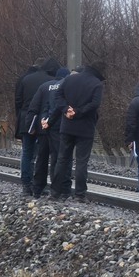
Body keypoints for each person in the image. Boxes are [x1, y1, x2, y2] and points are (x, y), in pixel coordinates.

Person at [50, 61, 106, 201]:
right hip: (85, 128)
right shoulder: (96, 84)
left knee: (62, 159)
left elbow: (58, 96)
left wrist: (66, 109)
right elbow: (94, 104)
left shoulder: (69, 79)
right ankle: (80, 194)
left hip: (67, 125)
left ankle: (55, 192)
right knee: (81, 162)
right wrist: (78, 112)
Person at [14, 57, 60, 195]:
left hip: (25, 118)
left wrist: (21, 118)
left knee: (27, 153)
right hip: (43, 120)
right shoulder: (50, 83)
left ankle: (26, 184)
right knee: (41, 154)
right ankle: (38, 184)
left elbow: (18, 101)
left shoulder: (24, 79)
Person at [27, 67, 69, 197]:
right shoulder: (64, 86)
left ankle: (38, 187)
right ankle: (59, 188)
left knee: (42, 157)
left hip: (43, 127)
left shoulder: (44, 87)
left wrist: (36, 124)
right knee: (58, 158)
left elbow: (35, 106)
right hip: (58, 127)